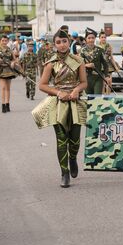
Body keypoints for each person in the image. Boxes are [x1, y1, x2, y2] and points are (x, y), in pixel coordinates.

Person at [32, 29, 87, 188]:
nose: (62, 45)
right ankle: (64, 173)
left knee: (75, 139)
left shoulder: (78, 60)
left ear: (69, 42)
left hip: (76, 102)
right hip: (58, 104)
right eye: (58, 42)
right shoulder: (51, 63)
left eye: (64, 41)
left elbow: (84, 82)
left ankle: (72, 158)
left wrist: (76, 90)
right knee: (61, 139)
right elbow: (42, 85)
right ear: (54, 45)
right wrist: (58, 92)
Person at [0, 34, 19, 113]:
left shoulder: (10, 50)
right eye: (3, 41)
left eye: (6, 41)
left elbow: (15, 60)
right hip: (1, 70)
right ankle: (3, 105)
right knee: (3, 88)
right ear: (0, 41)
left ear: (8, 41)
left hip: (9, 70)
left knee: (8, 88)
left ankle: (7, 104)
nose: (4, 42)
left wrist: (13, 62)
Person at [80, 28, 109, 94]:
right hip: (86, 78)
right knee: (88, 99)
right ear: (86, 39)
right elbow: (78, 64)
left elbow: (105, 64)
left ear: (95, 39)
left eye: (93, 38)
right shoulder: (82, 51)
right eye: (89, 38)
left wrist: (106, 76)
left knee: (97, 98)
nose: (91, 40)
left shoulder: (100, 50)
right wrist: (86, 65)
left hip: (98, 78)